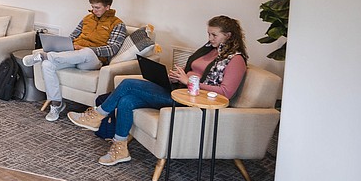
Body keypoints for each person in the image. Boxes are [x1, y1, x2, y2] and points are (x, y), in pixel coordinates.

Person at [68, 16, 249, 166]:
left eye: (214, 35)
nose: (210, 38)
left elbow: (225, 93)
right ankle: (119, 149)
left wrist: (189, 82)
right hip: (179, 90)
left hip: (192, 101)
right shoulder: (210, 50)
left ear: (228, 35)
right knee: (127, 100)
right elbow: (194, 72)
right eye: (209, 33)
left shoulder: (236, 60)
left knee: (128, 85)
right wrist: (179, 77)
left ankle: (97, 115)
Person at [22, 0, 125, 122]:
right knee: (47, 65)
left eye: (97, 8)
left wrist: (86, 48)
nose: (94, 10)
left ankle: (46, 55)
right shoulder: (87, 19)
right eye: (92, 7)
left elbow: (113, 49)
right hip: (74, 55)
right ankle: (56, 104)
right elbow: (72, 37)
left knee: (87, 52)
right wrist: (64, 45)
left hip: (93, 60)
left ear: (107, 7)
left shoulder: (117, 24)